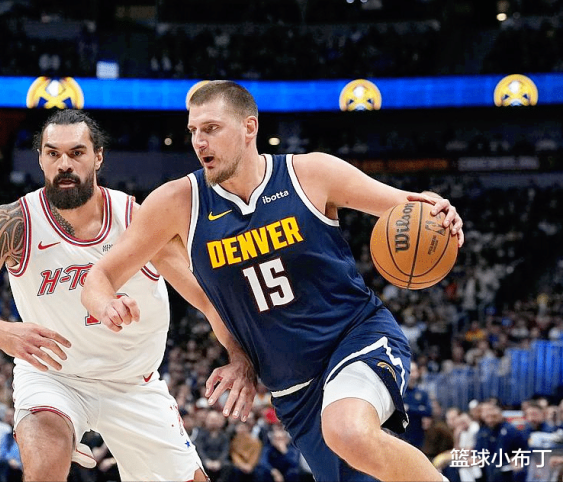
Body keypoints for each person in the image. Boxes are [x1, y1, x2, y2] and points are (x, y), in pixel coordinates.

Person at [81, 80, 465, 482]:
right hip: (292, 389)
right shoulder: (177, 203)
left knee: (347, 430)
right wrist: (107, 305)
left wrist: (441, 212)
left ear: (249, 127)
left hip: (356, 338)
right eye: (193, 131)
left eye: (211, 128)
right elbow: (100, 277)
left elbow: (410, 207)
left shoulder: (310, 174)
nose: (199, 141)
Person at [0, 109, 255, 482]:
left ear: (98, 157)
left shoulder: (138, 220)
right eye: (53, 153)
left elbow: (207, 298)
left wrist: (238, 355)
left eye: (77, 153)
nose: (64, 164)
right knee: (44, 467)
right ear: (40, 159)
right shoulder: (14, 223)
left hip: (132, 383)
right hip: (54, 378)